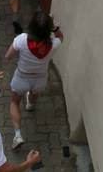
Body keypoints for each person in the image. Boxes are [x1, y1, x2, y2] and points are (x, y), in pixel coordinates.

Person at [5, 11, 64, 150]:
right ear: (48, 29)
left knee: (14, 102)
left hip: (21, 77)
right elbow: (61, 36)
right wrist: (55, 28)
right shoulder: (53, 44)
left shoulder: (21, 39)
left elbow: (8, 56)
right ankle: (30, 105)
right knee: (34, 93)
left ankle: (18, 134)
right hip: (40, 79)